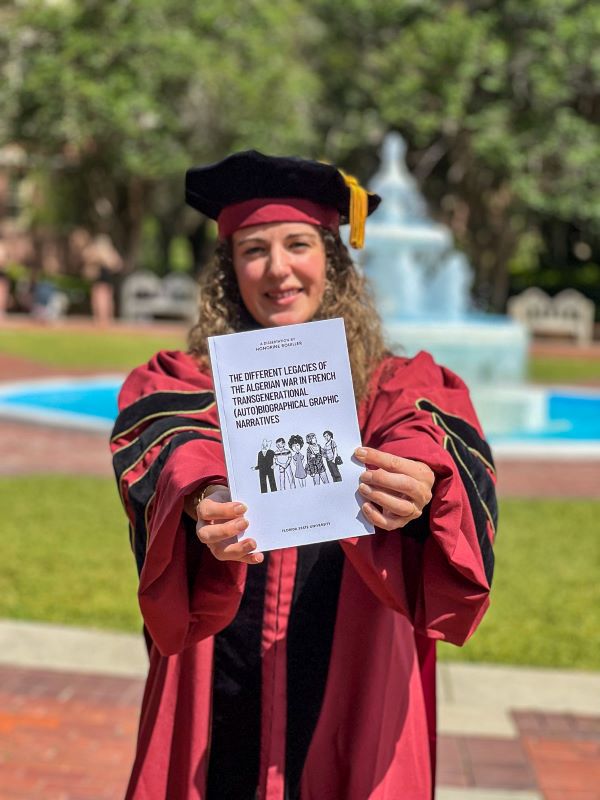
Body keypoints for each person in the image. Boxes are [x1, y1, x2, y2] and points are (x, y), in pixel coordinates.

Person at [111, 150, 497, 800]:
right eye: (253, 249)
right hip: (221, 667)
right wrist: (205, 494)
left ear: (333, 261)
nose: (278, 269)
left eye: (298, 244)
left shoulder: (396, 384)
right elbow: (167, 439)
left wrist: (419, 483)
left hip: (352, 663)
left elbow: (429, 432)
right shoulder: (187, 382)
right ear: (230, 271)